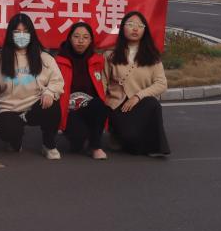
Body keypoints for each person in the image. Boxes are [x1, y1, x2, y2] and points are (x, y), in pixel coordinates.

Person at [0, 13, 65, 159]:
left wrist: (49, 92)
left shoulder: (45, 58)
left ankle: (48, 145)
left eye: (25, 31)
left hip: (35, 106)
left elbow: (57, 81)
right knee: (8, 131)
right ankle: (15, 140)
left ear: (32, 34)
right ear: (10, 34)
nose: (21, 35)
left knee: (53, 106)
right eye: (17, 32)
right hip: (9, 108)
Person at [105, 11, 170, 157]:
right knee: (130, 138)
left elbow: (161, 84)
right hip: (117, 105)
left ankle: (156, 147)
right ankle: (117, 133)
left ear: (144, 30)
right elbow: (103, 82)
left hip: (140, 104)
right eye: (130, 24)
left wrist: (138, 96)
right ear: (122, 28)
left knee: (153, 104)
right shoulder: (110, 55)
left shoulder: (152, 56)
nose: (135, 29)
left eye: (140, 26)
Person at [54, 22, 108, 159]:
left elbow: (106, 84)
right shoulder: (58, 61)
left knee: (99, 104)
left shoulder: (98, 61)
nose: (81, 41)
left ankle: (95, 147)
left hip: (90, 108)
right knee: (78, 140)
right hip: (69, 110)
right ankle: (78, 139)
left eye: (85, 37)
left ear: (90, 40)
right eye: (76, 36)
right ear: (69, 38)